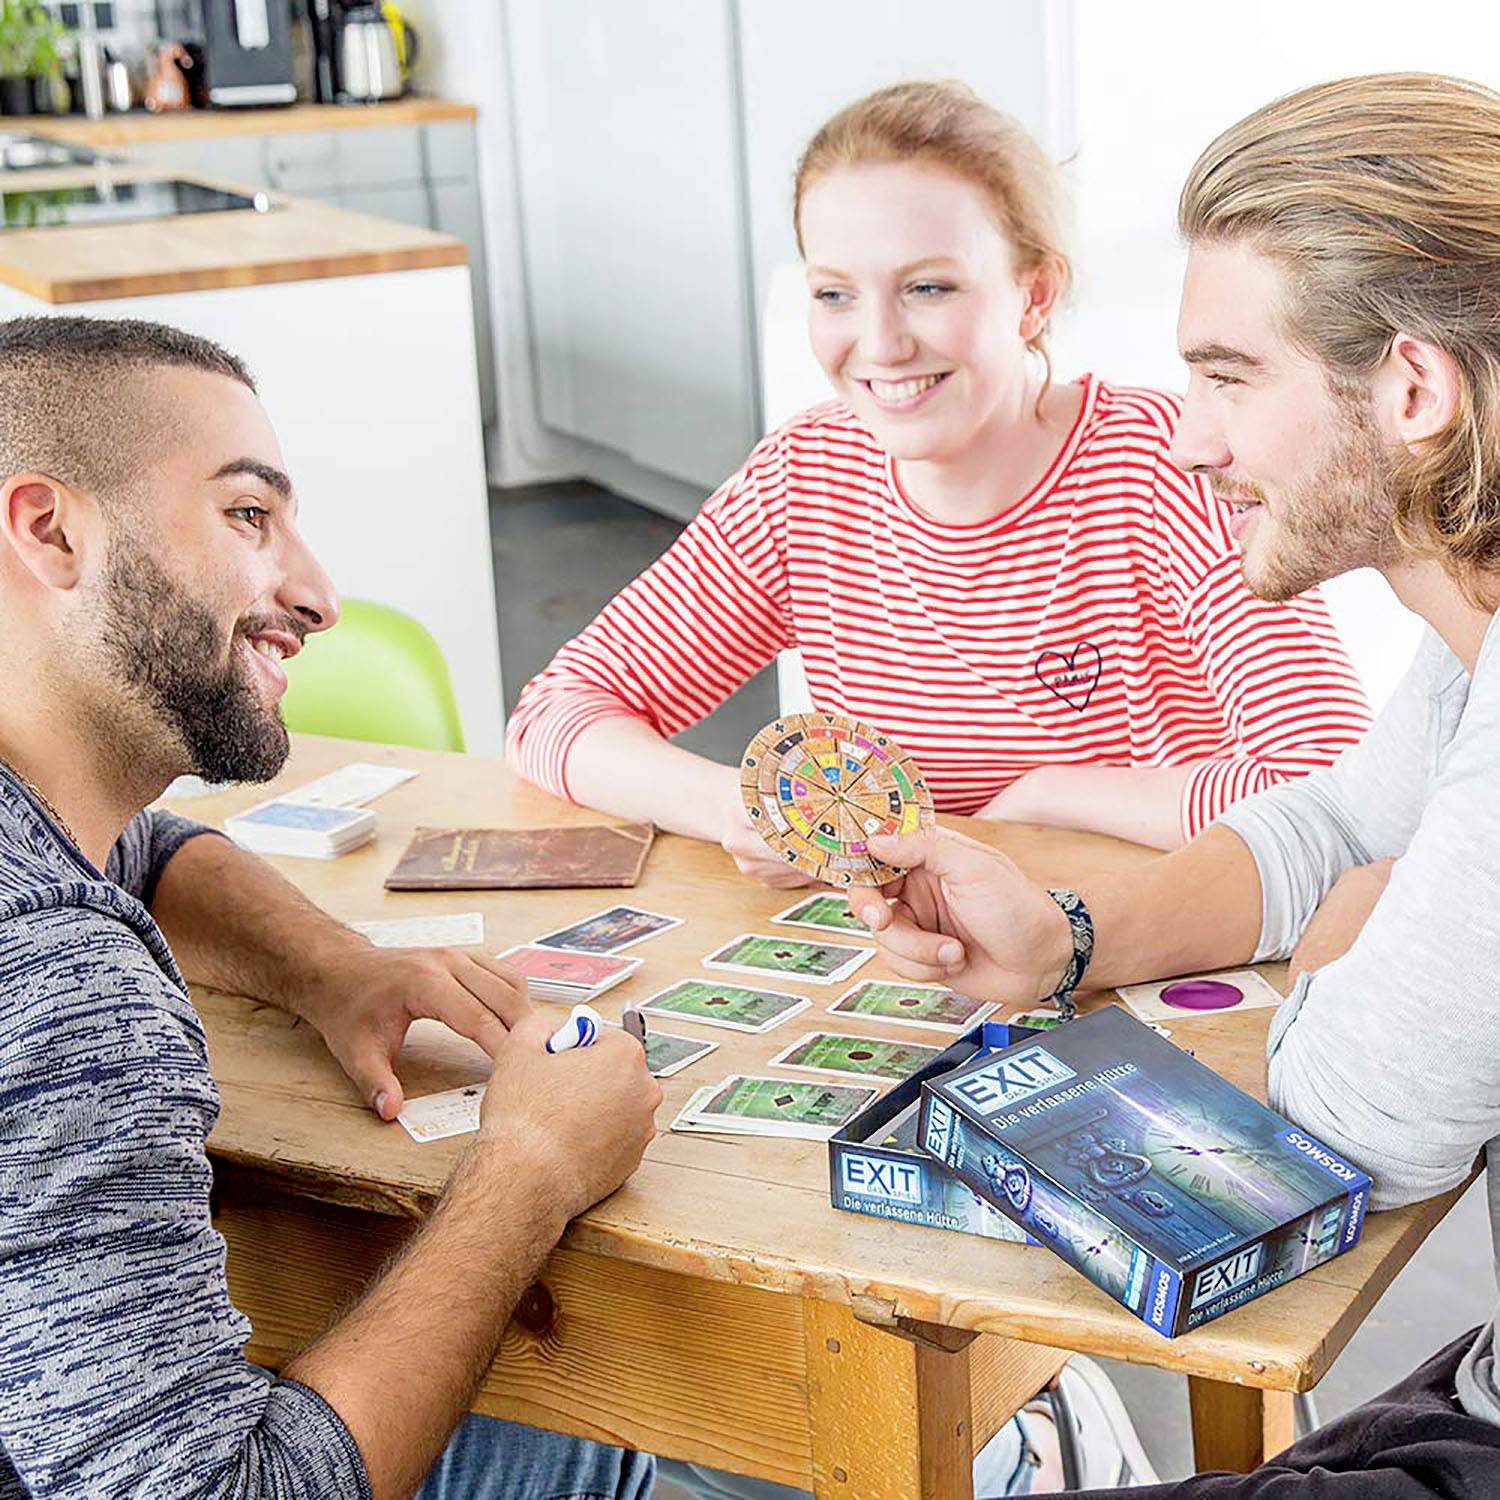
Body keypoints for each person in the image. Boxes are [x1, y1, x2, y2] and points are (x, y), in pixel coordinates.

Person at [848, 71, 1500, 1497]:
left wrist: (1361, 926)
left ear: (1411, 390)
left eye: (1228, 376)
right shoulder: (1471, 645)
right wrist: (1072, 939)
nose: (1192, 436)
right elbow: (1335, 825)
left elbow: (1339, 1135)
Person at [0, 315, 662, 1499]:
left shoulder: (37, 835)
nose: (319, 595)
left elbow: (137, 851)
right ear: (52, 531)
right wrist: (533, 1163)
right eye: (249, 516)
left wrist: (330, 967)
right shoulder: (60, 980)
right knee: (618, 1410)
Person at [506, 80, 1371, 883]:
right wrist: (743, 808)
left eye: (927, 287)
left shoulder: (1170, 468)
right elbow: (557, 714)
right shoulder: (804, 478)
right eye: (835, 294)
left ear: (1035, 294)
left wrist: (1043, 799)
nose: (879, 345)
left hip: (1151, 946)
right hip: (927, 962)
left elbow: (1331, 789)